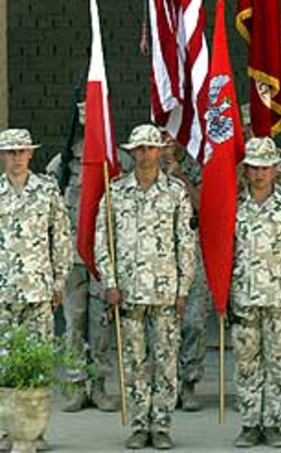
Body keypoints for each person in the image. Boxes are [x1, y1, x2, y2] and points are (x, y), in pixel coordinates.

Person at [95, 124, 195, 450]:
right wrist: (109, 283)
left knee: (166, 361)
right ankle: (140, 424)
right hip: (128, 291)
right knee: (135, 363)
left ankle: (162, 425)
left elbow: (186, 242)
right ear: (131, 152)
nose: (145, 154)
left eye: (151, 148)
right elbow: (102, 242)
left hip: (166, 290)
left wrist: (183, 289)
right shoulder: (114, 191)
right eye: (139, 149)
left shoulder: (175, 192)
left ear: (161, 151)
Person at [47, 102, 133, 413]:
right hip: (72, 257)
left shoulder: (119, 161)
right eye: (83, 117)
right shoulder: (62, 163)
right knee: (74, 322)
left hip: (105, 258)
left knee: (100, 324)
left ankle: (98, 385)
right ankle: (75, 384)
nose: (88, 123)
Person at [231, 137, 281, 448]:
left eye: (266, 167)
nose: (260, 174)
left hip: (279, 294)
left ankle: (276, 424)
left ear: (275, 170)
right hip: (244, 294)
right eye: (254, 168)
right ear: (247, 170)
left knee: (278, 362)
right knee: (247, 363)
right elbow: (226, 251)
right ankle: (251, 423)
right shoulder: (235, 204)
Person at [0, 128, 73, 452]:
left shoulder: (46, 191)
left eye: (21, 151)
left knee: (38, 363)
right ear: (3, 156)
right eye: (10, 152)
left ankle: (34, 430)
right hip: (2, 293)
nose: (16, 157)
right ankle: (5, 430)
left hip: (38, 291)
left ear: (30, 154)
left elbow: (61, 238)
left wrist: (59, 281)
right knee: (3, 364)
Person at [161, 133, 210, 412]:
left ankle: (189, 383)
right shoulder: (148, 167)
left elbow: (204, 206)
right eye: (163, 138)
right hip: (160, 256)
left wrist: (181, 177)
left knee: (193, 321)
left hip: (195, 253)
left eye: (172, 138)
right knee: (163, 325)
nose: (168, 144)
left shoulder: (196, 166)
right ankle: (167, 384)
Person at [240, 103, 281, 193]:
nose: (258, 129)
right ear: (243, 128)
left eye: (262, 124)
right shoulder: (231, 160)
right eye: (251, 125)